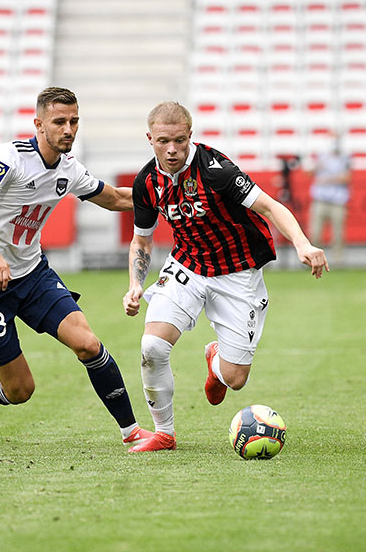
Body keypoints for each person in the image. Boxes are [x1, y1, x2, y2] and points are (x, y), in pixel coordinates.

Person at [0, 87, 152, 449]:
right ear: (39, 124)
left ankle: (131, 432)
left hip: (32, 276)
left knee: (88, 343)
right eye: (59, 121)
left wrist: (168, 198)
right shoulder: (10, 158)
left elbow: (117, 199)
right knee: (19, 390)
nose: (69, 129)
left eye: (74, 121)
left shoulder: (69, 170)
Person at [122, 101, 328, 453]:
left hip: (238, 274)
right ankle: (164, 433)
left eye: (179, 140)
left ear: (191, 136)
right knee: (152, 346)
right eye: (162, 141)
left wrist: (302, 243)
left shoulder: (216, 170)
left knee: (235, 379)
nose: (172, 149)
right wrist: (136, 285)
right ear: (149, 139)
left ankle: (215, 361)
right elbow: (142, 238)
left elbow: (270, 206)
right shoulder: (147, 182)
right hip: (187, 266)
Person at [308, 133, 351, 264]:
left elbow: (347, 178)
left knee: (338, 235)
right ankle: (313, 261)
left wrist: (328, 179)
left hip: (337, 201)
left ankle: (338, 262)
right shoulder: (321, 157)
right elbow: (309, 172)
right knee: (315, 233)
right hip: (320, 200)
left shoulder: (344, 158)